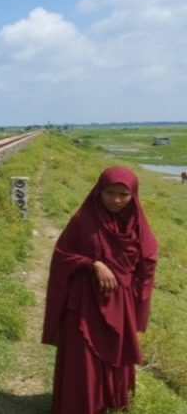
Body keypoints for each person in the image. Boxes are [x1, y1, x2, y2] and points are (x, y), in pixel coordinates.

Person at [42, 167, 158, 414]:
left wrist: (139, 312)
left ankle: (112, 405)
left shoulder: (137, 225)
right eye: (110, 192)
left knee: (116, 356)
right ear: (99, 191)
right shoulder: (84, 220)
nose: (116, 200)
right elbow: (62, 256)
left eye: (123, 194)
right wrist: (93, 263)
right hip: (85, 303)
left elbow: (147, 265)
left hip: (121, 304)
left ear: (133, 195)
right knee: (83, 359)